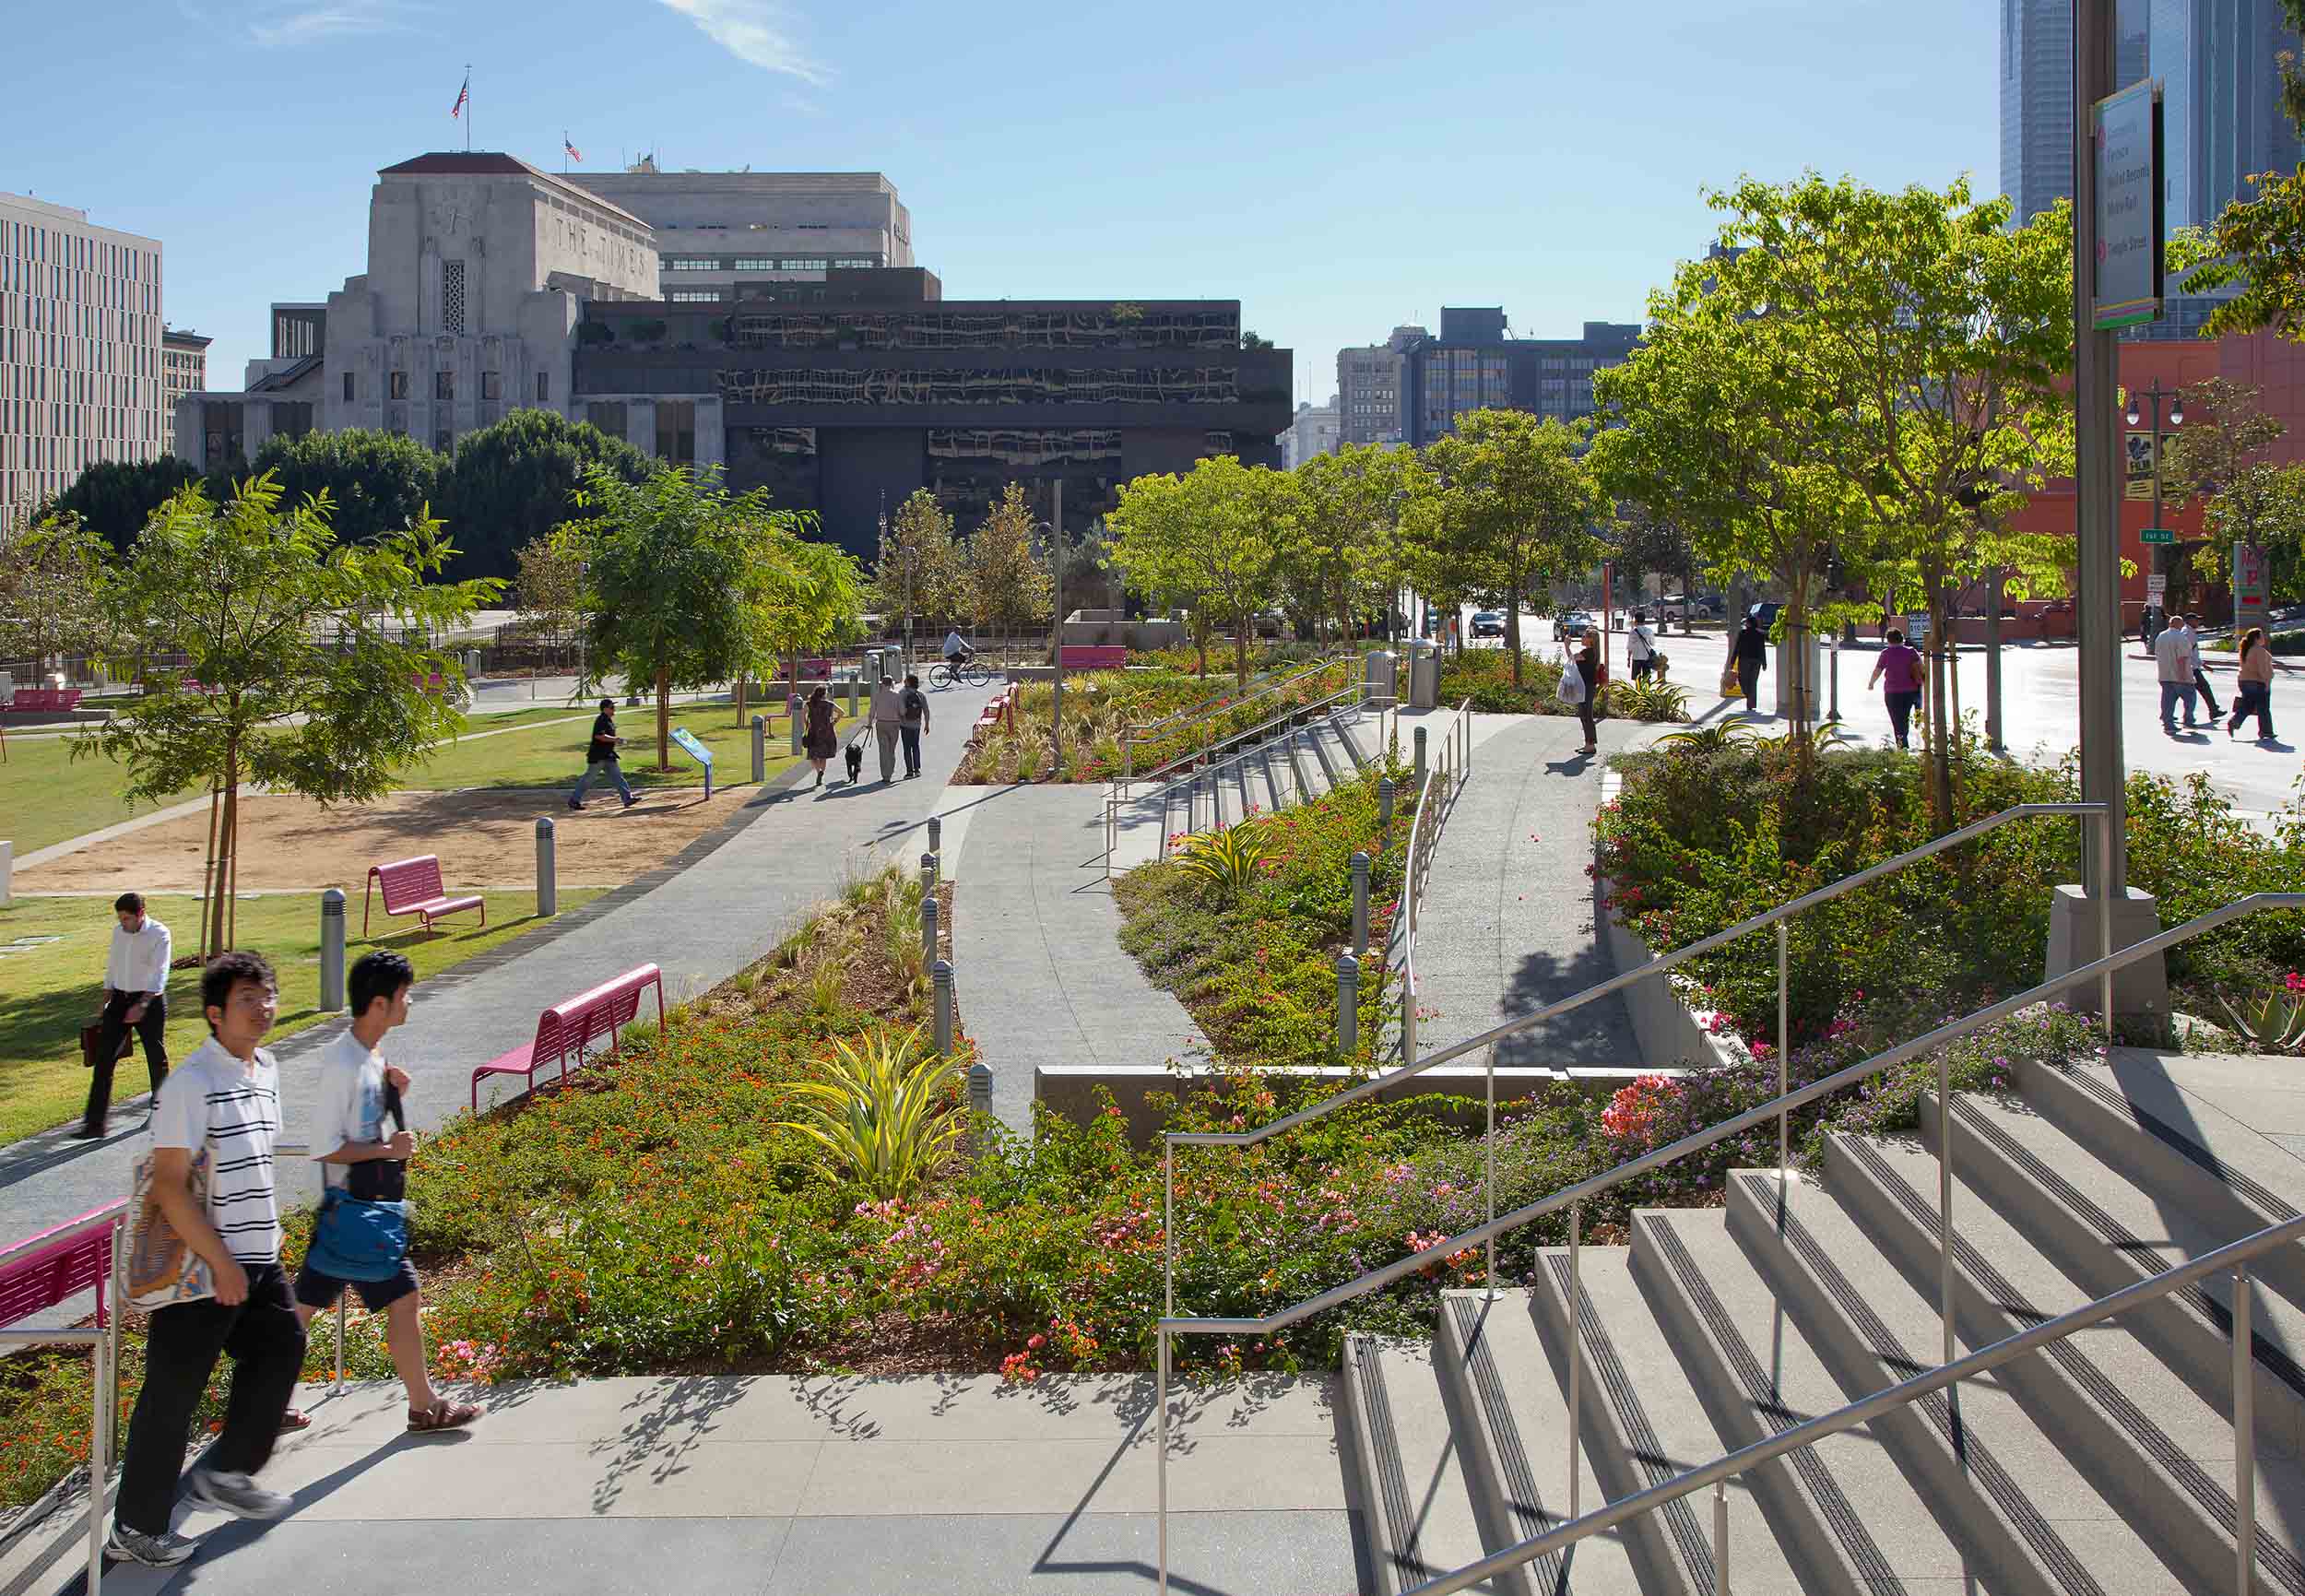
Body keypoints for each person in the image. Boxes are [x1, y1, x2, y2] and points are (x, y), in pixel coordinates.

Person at [108, 952, 303, 1569]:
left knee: (282, 1346)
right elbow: (169, 1183)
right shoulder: (189, 1083)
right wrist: (219, 1260)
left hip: (257, 1256)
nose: (264, 1006)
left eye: (269, 993)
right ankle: (135, 1527)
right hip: (202, 1264)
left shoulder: (267, 1067)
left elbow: (256, 1162)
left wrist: (265, 1239)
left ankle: (227, 1470)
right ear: (216, 1013)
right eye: (249, 997)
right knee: (173, 1391)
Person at [289, 952, 480, 1436]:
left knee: (304, 1307)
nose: (409, 1002)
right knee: (402, 1296)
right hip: (353, 1212)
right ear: (380, 1003)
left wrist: (394, 1088)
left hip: (363, 1211)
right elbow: (325, 1148)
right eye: (403, 995)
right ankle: (424, 1407)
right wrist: (387, 1148)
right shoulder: (343, 1063)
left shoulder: (369, 1055)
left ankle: (264, 1403)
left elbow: (362, 1118)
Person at [77, 891, 172, 1139]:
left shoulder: (159, 934)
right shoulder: (118, 932)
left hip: (149, 1001)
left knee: (155, 1055)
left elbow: (159, 973)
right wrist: (106, 997)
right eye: (120, 918)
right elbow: (113, 964)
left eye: (127, 918)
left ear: (141, 914)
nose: (122, 923)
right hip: (119, 1000)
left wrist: (142, 1005)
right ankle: (94, 1125)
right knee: (104, 1058)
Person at [569, 697, 637, 810]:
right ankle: (574, 800)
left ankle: (627, 799)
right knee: (588, 779)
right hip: (598, 756)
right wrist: (616, 739)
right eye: (612, 707)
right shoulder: (601, 720)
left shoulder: (608, 720)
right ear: (605, 709)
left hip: (608, 755)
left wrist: (615, 740)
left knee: (618, 777)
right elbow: (599, 736)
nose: (614, 709)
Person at [1868, 628, 1926, 751]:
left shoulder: (1886, 653)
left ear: (1888, 640)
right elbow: (1922, 669)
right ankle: (1905, 738)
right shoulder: (1911, 652)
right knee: (1904, 718)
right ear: (1902, 639)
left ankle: (1902, 745)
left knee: (1897, 720)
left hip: (1892, 692)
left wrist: (1871, 683)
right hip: (1911, 692)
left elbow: (1878, 670)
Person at [2228, 626, 2291, 742]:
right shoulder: (2260, 651)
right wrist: (2267, 682)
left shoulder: (2247, 649)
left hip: (2244, 681)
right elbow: (2263, 669)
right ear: (2257, 638)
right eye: (2262, 636)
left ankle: (2235, 721)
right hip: (2258, 682)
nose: (2264, 638)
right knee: (2263, 707)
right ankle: (2266, 731)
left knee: (2248, 706)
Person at [2155, 611, 2200, 732]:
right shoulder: (2181, 638)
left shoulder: (2160, 636)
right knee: (2190, 697)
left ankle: (2168, 724)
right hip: (2179, 675)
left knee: (2167, 700)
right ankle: (2188, 720)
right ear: (2180, 625)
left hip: (2164, 674)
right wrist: (2183, 675)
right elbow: (2182, 658)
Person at [2180, 613, 2224, 719]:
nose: (2198, 622)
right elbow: (2189, 653)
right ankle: (2212, 710)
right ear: (2189, 621)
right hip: (2191, 668)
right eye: (2196, 620)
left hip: (2190, 667)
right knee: (2201, 689)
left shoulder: (2187, 631)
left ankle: (2213, 709)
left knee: (2184, 691)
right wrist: (2203, 664)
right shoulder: (2188, 633)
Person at [1570, 629, 1601, 755]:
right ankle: (1588, 744)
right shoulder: (1591, 652)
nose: (1582, 638)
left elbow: (1571, 658)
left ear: (1590, 640)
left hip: (1587, 687)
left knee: (1586, 715)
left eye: (1584, 636)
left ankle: (1590, 745)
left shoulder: (1588, 652)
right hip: (1586, 686)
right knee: (1584, 714)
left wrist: (1567, 646)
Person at [802, 685, 839, 787]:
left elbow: (803, 714)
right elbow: (841, 712)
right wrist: (834, 722)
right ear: (824, 694)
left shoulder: (809, 704)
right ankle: (821, 772)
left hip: (814, 731)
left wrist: (807, 724)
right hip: (827, 732)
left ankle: (818, 772)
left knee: (813, 756)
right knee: (823, 756)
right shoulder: (829, 704)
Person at [869, 676, 904, 783]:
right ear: (891, 683)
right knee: (891, 750)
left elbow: (872, 711)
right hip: (894, 724)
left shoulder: (877, 695)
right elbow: (902, 711)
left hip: (881, 723)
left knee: (883, 750)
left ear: (882, 684)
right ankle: (890, 771)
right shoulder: (897, 695)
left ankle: (885, 775)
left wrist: (869, 723)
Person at [898, 673, 931, 779]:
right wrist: (926, 724)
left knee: (907, 748)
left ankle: (909, 771)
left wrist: (900, 719)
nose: (904, 681)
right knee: (915, 746)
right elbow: (926, 711)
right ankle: (917, 770)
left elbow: (902, 711)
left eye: (906, 680)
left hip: (905, 725)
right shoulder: (920, 695)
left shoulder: (902, 693)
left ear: (908, 682)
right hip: (917, 725)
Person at [1733, 615, 1768, 713]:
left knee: (1742, 679)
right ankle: (1751, 702)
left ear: (1749, 623)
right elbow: (1762, 650)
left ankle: (1749, 697)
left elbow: (1737, 648)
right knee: (1753, 682)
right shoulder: (1760, 634)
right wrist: (1764, 663)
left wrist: (1732, 662)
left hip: (1745, 660)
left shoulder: (1742, 633)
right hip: (1757, 661)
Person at [1627, 612, 1658, 682]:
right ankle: (1646, 691)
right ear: (1644, 620)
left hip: (1636, 658)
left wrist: (1629, 659)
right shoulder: (1649, 631)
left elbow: (1630, 647)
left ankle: (1638, 691)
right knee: (1646, 678)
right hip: (1647, 658)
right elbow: (1652, 643)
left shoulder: (1632, 632)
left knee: (1637, 679)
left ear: (1635, 621)